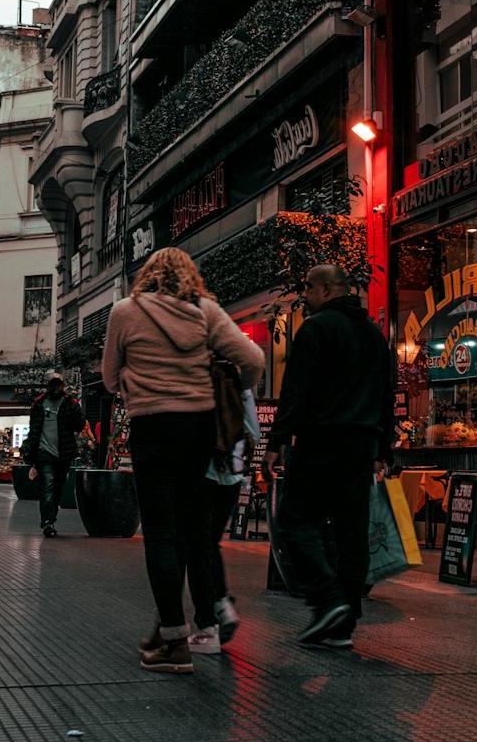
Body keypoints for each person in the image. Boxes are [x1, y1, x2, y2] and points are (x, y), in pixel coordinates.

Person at [102, 247, 264, 674]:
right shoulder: (205, 310)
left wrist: (134, 385)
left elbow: (107, 376)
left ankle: (173, 639)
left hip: (151, 428)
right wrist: (224, 385)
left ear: (147, 275)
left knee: (158, 532)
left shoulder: (124, 311)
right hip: (198, 430)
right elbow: (253, 360)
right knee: (189, 526)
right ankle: (188, 627)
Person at [266, 263, 396, 650]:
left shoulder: (317, 328)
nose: (303, 295)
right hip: (359, 447)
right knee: (350, 530)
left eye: (307, 287)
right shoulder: (374, 336)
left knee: (294, 520)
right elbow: (385, 395)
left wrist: (276, 440)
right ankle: (344, 622)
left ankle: (328, 600)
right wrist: (382, 447)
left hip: (320, 441)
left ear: (325, 289)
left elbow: (296, 390)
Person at [190, 384, 261, 654]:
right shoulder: (240, 385)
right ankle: (221, 605)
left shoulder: (198, 377)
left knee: (197, 547)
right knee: (210, 543)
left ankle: (209, 623)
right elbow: (253, 431)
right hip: (232, 473)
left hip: (202, 472)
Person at [24, 374, 87, 537]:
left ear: (63, 386)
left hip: (63, 455)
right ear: (48, 386)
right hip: (44, 454)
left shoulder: (69, 404)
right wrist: (30, 453)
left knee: (57, 487)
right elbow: (34, 430)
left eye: (58, 385)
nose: (56, 388)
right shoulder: (39, 404)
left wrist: (75, 408)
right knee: (48, 486)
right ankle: (47, 522)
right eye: (53, 385)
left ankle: (51, 518)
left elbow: (79, 425)